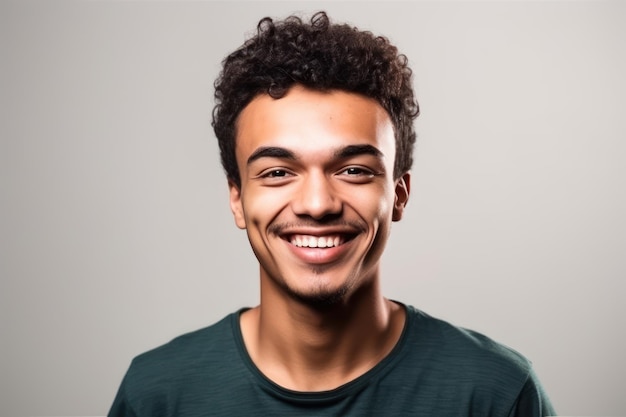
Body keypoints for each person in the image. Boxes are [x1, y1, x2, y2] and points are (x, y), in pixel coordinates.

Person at [108, 11, 555, 416]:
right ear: (237, 199)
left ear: (399, 194)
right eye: (279, 171)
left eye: (355, 170)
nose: (317, 204)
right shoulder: (156, 397)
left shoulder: (496, 395)